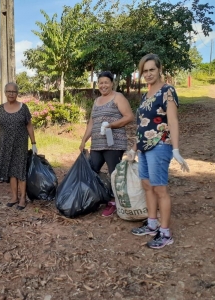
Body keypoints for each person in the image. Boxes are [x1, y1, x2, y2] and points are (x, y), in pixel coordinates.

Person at [127, 54, 189, 249]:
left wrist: (176, 149)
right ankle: (152, 224)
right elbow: (142, 126)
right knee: (147, 185)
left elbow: (173, 121)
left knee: (160, 188)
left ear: (159, 69)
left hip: (160, 145)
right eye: (144, 71)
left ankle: (165, 233)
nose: (148, 74)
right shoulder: (147, 94)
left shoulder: (167, 91)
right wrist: (134, 147)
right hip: (144, 147)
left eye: (151, 69)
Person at [80, 71, 134, 217]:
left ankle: (114, 202)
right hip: (97, 144)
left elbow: (129, 116)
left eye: (106, 82)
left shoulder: (118, 97)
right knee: (92, 170)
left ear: (112, 84)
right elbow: (92, 122)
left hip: (114, 144)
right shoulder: (97, 101)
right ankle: (94, 198)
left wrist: (111, 125)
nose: (103, 85)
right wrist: (84, 139)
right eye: (101, 83)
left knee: (113, 174)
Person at [0, 82, 37, 210]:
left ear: (17, 93)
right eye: (9, 91)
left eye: (14, 91)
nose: (11, 94)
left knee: (20, 171)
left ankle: (22, 199)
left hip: (20, 145)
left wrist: (33, 143)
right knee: (11, 172)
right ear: (5, 92)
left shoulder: (23, 108)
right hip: (5, 145)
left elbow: (29, 126)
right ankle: (14, 197)